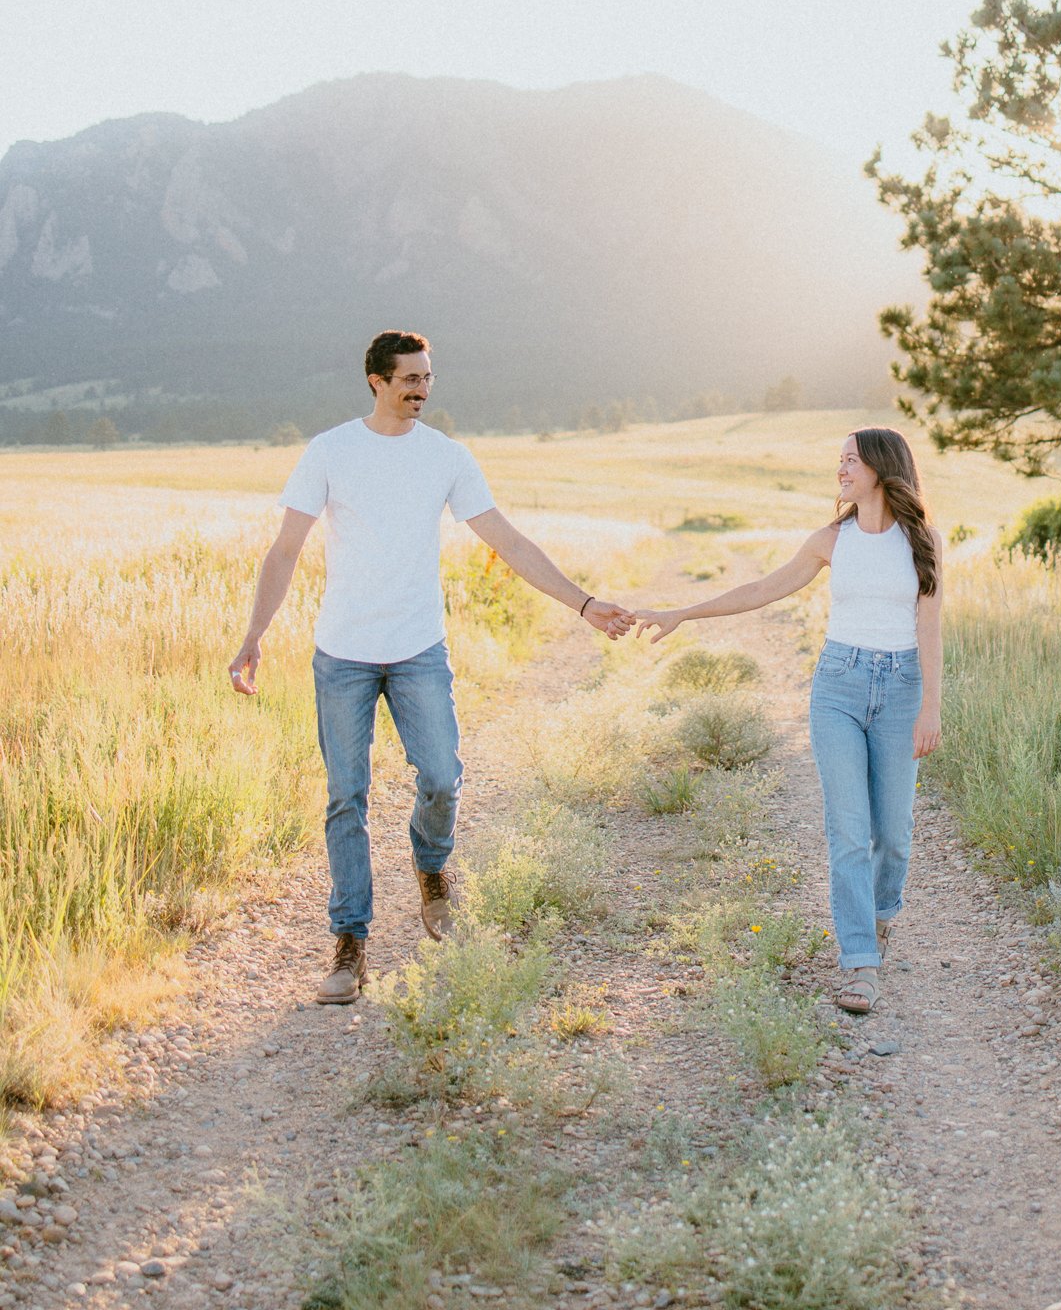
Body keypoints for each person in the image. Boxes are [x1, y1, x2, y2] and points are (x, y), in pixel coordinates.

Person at [228, 329, 634, 1005]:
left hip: (418, 650)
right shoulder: (329, 451)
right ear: (376, 382)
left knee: (442, 777)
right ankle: (350, 942)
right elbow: (284, 550)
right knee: (344, 798)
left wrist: (582, 603)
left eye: (427, 379)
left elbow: (506, 539)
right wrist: (254, 635)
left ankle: (431, 872)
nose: (421, 389)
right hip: (343, 658)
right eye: (409, 379)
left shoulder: (445, 457)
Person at [632, 426, 941, 1015]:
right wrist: (684, 611)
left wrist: (931, 707)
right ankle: (859, 963)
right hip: (838, 688)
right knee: (849, 830)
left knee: (894, 834)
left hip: (902, 690)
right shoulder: (831, 540)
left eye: (851, 460)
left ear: (881, 467)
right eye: (840, 460)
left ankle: (878, 917)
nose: (841, 469)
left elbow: (931, 628)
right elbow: (763, 589)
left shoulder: (922, 542)